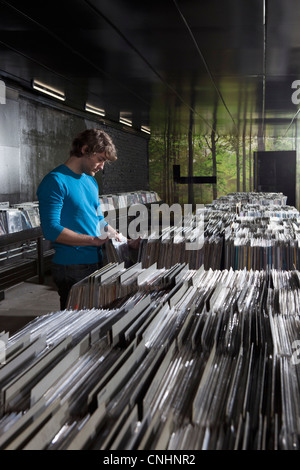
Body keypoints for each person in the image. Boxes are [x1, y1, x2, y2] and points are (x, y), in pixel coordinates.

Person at [37, 128, 122, 310]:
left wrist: (121, 239)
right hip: (72, 267)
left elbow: (99, 221)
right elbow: (51, 229)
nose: (101, 166)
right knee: (75, 328)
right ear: (85, 150)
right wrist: (93, 240)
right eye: (100, 159)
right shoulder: (55, 181)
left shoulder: (90, 182)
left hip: (97, 261)